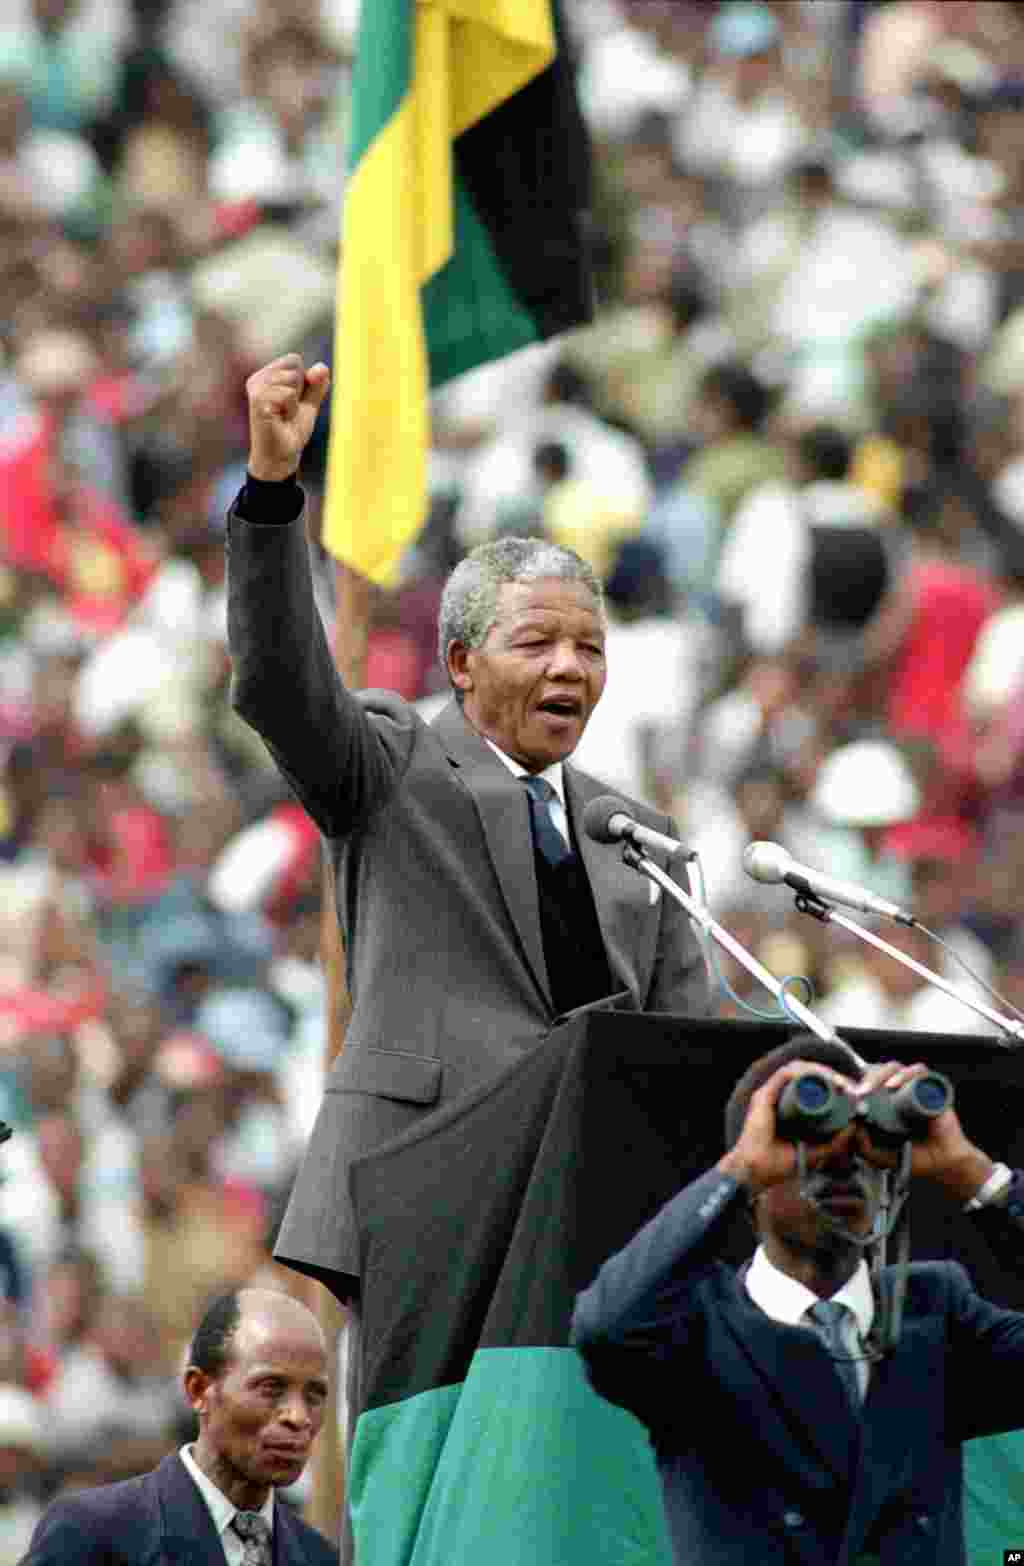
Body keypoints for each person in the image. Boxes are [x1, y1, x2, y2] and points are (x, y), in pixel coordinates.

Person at [225, 354, 708, 1311]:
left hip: (591, 1230)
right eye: (536, 644)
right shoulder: (393, 766)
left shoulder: (637, 836)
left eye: (590, 649)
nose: (569, 669)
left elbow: (686, 1051)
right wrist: (274, 493)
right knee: (434, 1465)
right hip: (424, 1198)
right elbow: (281, 681)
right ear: (460, 662)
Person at [571, 1035, 1024, 1566]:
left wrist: (975, 1174)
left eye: (865, 1146)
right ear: (758, 1175)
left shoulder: (937, 1313)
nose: (843, 1164)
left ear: (890, 1176)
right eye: (809, 1142)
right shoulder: (692, 1331)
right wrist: (737, 1171)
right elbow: (605, 1328)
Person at [23, 1286, 338, 1565]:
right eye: (271, 1387)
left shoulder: (318, 1557)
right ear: (199, 1390)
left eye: (314, 1395)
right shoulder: (89, 1535)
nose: (298, 1416)